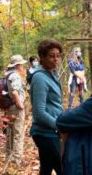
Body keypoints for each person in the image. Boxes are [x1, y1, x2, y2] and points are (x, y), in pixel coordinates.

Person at [29, 39, 63, 175]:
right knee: (64, 168)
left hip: (50, 132)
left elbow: (54, 104)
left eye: (58, 55)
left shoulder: (51, 74)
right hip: (45, 133)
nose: (55, 59)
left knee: (46, 169)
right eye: (51, 56)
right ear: (42, 57)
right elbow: (39, 112)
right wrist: (59, 126)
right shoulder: (39, 78)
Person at [5, 55, 27, 165]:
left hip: (9, 108)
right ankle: (16, 160)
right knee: (18, 133)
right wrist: (21, 105)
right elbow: (14, 92)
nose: (23, 67)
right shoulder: (15, 76)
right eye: (22, 65)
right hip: (16, 107)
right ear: (18, 65)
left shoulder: (7, 75)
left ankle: (9, 158)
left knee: (10, 133)